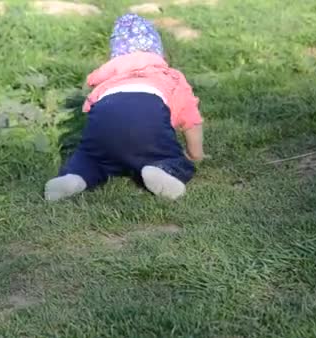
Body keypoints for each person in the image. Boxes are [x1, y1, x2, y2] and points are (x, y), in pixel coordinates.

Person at [45, 13, 204, 201]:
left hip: (104, 124)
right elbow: (190, 119)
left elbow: (93, 111)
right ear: (157, 52)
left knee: (90, 159)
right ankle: (163, 171)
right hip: (147, 123)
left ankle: (74, 177)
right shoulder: (171, 77)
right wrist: (195, 154)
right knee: (174, 159)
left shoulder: (107, 79)